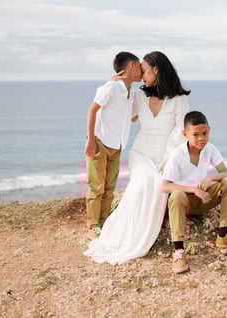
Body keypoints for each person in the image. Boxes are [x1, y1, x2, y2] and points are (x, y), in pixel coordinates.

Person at [84, 51, 190, 264]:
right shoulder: (139, 95)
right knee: (143, 183)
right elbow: (122, 111)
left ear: (156, 71)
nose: (142, 74)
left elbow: (180, 132)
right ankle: (118, 233)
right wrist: (112, 85)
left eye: (145, 70)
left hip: (165, 155)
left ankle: (140, 228)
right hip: (140, 153)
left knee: (159, 183)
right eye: (140, 69)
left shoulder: (179, 99)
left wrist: (168, 160)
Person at [161, 111, 227, 274]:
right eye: (195, 134)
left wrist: (210, 178)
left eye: (205, 133)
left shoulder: (210, 149)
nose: (201, 138)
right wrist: (193, 189)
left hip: (204, 200)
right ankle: (179, 252)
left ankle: (224, 235)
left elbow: (226, 173)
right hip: (185, 204)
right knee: (176, 194)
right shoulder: (177, 156)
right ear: (185, 134)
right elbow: (165, 186)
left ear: (209, 130)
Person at [84, 52, 142, 240]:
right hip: (100, 141)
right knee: (97, 186)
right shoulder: (110, 87)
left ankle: (104, 221)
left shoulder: (132, 92)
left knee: (109, 186)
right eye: (140, 66)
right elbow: (92, 110)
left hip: (118, 145)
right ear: (131, 66)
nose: (142, 70)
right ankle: (93, 225)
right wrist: (91, 140)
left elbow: (132, 117)